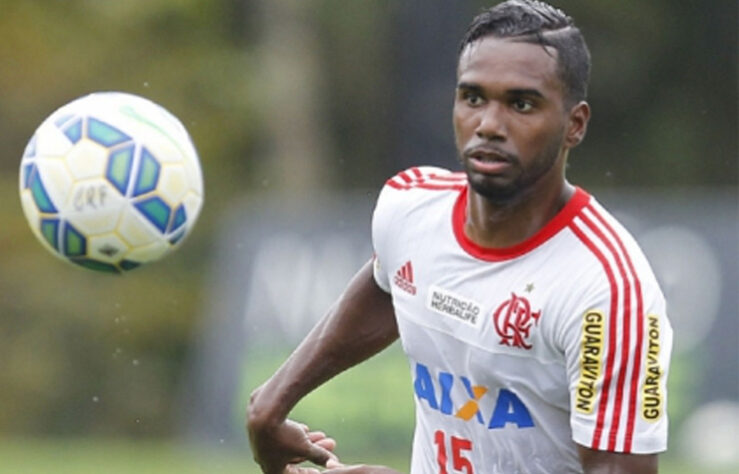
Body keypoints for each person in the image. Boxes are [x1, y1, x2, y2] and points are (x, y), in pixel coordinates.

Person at [246, 1, 673, 472]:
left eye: (521, 103)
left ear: (575, 124)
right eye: (473, 98)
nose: (489, 125)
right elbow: (390, 285)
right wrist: (271, 406)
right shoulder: (408, 208)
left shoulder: (606, 291)